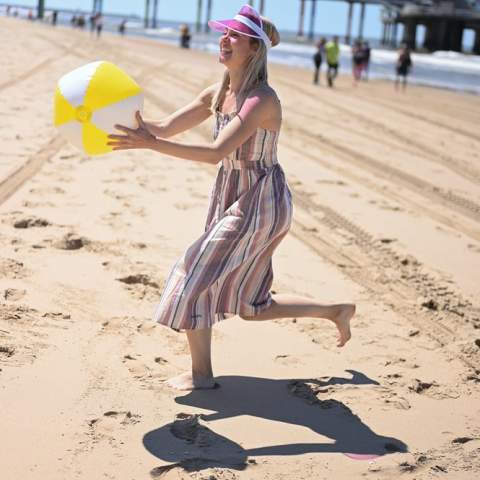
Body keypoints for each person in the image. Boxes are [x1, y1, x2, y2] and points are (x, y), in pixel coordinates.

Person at [107, 4, 356, 391]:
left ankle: (202, 376)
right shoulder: (219, 91)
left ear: (253, 49)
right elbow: (165, 126)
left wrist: (149, 145)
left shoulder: (261, 100)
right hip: (231, 194)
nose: (225, 39)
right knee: (253, 306)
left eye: (235, 35)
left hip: (260, 202)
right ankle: (336, 311)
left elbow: (213, 154)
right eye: (224, 33)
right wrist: (120, 121)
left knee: (192, 272)